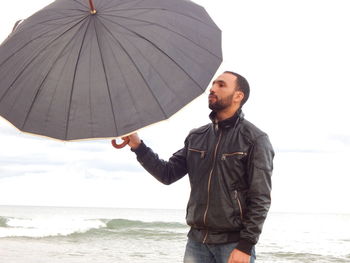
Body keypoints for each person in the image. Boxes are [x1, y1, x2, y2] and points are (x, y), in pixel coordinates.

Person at [120, 71, 274, 263]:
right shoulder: (197, 136)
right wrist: (138, 146)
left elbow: (260, 198)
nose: (212, 89)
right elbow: (167, 174)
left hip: (233, 244)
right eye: (213, 85)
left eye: (221, 85)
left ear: (238, 96)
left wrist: (246, 245)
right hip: (196, 243)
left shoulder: (255, 139)